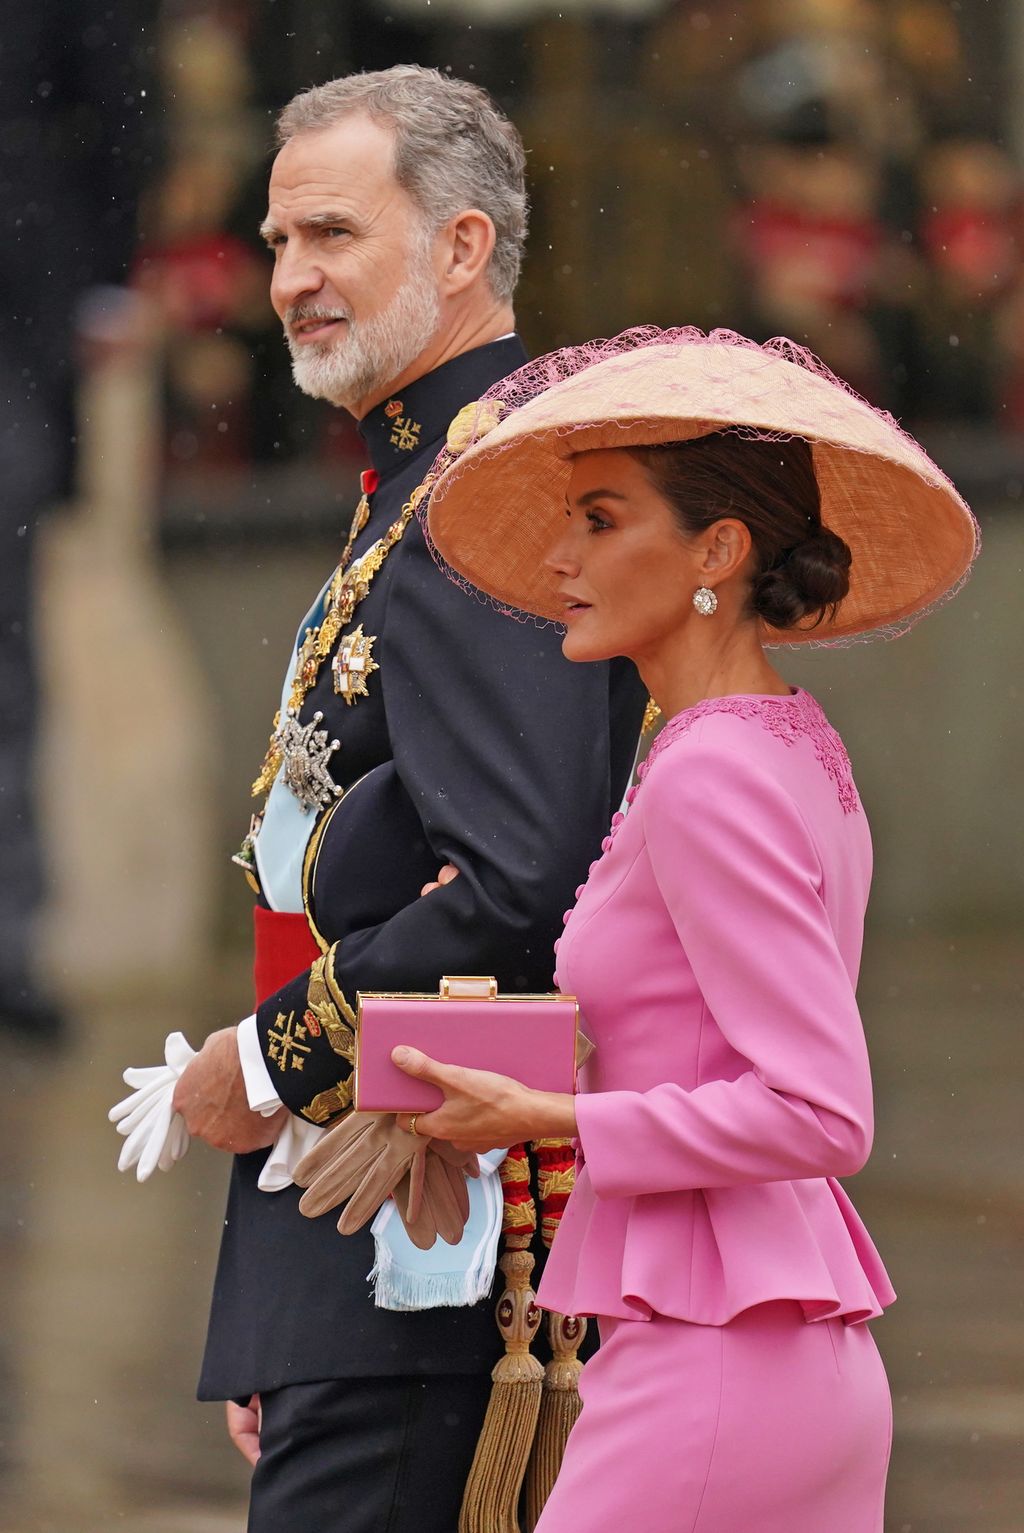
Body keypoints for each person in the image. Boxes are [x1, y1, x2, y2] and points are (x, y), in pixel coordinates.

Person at [303, 326, 979, 1531]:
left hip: (716, 1369)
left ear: (716, 549)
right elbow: (699, 1032)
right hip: (763, 1345)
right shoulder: (780, 738)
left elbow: (818, 1109)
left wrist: (545, 1118)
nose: (560, 557)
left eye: (601, 520)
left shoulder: (704, 772)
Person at [169, 66, 646, 1533]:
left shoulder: (488, 499)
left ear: (460, 248)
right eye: (274, 243)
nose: (290, 279)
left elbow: (518, 879)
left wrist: (261, 1066)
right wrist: (273, 1294)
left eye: (330, 235)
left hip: (426, 1225)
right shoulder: (419, 477)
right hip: (350, 1231)